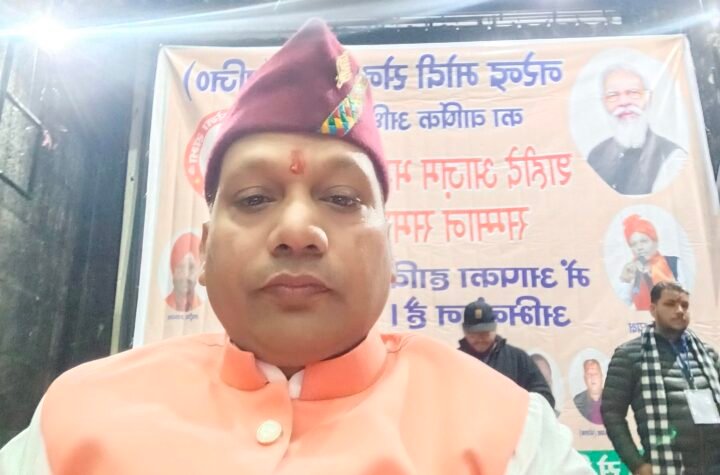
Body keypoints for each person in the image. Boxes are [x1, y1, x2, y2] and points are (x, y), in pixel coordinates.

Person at [0, 19, 593, 474]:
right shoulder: (74, 421)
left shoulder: (512, 437)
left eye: (342, 198)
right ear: (203, 251)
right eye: (255, 198)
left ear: (391, 251)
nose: (297, 231)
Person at [602, 281, 720, 474]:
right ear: (653, 309)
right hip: (665, 468)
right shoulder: (629, 355)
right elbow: (611, 413)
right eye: (670, 304)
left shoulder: (708, 354)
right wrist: (636, 464)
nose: (679, 310)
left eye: (684, 305)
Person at [586, 63, 686, 195]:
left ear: (648, 98)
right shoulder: (596, 156)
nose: (623, 102)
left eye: (633, 93)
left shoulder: (672, 157)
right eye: (613, 95)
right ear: (604, 103)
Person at [459, 298, 555, 409]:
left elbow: (545, 397)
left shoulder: (517, 358)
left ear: (494, 329)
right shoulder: (455, 361)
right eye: (473, 335)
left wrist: (515, 402)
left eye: (485, 334)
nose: (480, 340)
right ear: (464, 331)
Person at [616, 214, 682, 311]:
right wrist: (625, 281)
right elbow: (621, 308)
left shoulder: (674, 264)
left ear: (655, 241)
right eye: (634, 244)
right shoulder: (630, 270)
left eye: (644, 241)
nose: (639, 248)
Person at [165, 232, 202, 312]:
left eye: (191, 268)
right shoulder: (162, 307)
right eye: (181, 268)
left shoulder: (201, 308)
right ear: (173, 269)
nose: (186, 275)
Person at [572, 359, 604, 425]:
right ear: (585, 378)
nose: (593, 377)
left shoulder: (614, 399)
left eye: (595, 374)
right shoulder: (577, 402)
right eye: (589, 374)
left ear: (601, 376)